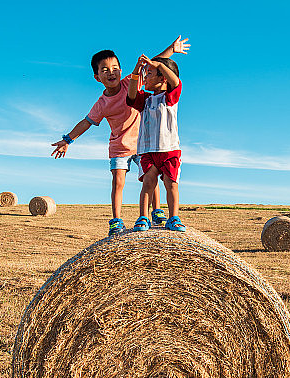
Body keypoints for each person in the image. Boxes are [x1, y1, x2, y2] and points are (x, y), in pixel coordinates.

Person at [50, 37, 190, 236]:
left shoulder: (130, 83)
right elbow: (86, 122)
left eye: (114, 67)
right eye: (104, 70)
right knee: (118, 181)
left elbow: (154, 65)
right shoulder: (102, 103)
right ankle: (116, 220)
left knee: (152, 179)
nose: (111, 72)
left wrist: (172, 50)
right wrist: (67, 140)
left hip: (145, 144)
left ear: (121, 70)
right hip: (119, 146)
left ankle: (157, 211)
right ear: (97, 77)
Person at [126, 54, 185, 232]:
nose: (146, 77)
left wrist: (158, 63)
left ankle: (174, 217)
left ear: (163, 78)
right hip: (147, 150)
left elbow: (176, 82)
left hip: (169, 149)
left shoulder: (170, 97)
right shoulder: (145, 100)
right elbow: (130, 95)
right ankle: (143, 217)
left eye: (149, 73)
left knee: (171, 184)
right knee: (148, 184)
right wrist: (136, 71)